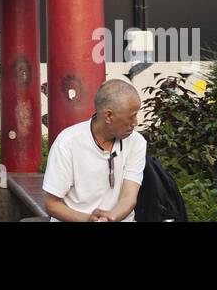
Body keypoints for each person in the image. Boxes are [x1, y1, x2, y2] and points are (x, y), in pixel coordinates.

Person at [43, 80, 145, 222]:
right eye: (131, 116)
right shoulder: (67, 143)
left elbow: (129, 197)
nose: (135, 123)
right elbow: (51, 204)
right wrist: (87, 220)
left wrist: (110, 218)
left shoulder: (136, 141)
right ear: (108, 116)